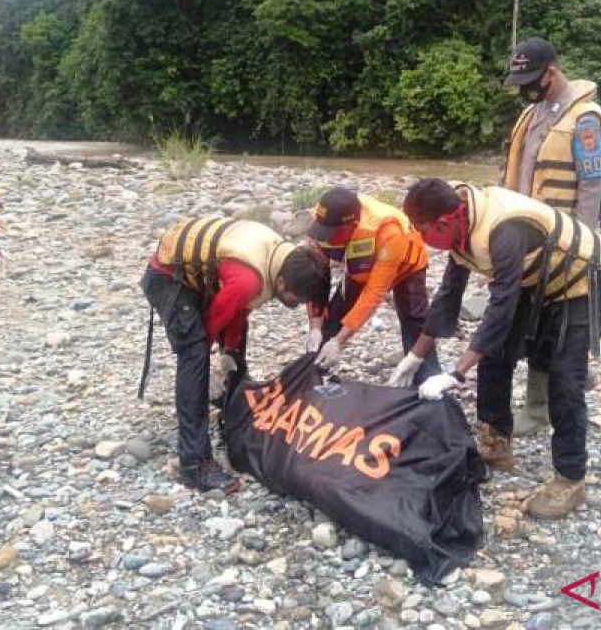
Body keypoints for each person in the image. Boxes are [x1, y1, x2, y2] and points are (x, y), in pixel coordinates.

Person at [399, 178, 601, 520]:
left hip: (581, 280)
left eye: (423, 232)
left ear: (444, 222)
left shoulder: (504, 230)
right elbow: (448, 296)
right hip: (538, 279)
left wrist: (456, 373)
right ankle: (496, 441)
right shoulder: (460, 228)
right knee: (495, 356)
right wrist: (415, 357)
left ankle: (571, 479)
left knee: (564, 380)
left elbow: (501, 306)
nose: (424, 241)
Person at [141, 217, 330, 494]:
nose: (295, 304)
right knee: (194, 352)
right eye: (293, 298)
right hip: (169, 278)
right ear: (279, 281)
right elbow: (210, 325)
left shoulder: (283, 258)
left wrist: (229, 351)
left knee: (236, 337)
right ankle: (195, 464)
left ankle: (236, 409)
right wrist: (207, 373)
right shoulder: (248, 280)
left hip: (204, 279)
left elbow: (238, 311)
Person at [500, 36, 601, 433]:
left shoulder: (586, 118)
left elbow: (591, 185)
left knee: (554, 322)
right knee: (531, 318)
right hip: (529, 236)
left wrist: (581, 245)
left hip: (562, 240)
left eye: (531, 79)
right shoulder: (533, 114)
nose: (525, 88)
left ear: (551, 72)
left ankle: (538, 406)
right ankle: (548, 393)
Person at [303, 187, 440, 386]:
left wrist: (339, 341)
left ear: (353, 225)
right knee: (334, 315)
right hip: (358, 267)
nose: (326, 238)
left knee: (414, 319)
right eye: (323, 232)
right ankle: (313, 370)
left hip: (407, 266)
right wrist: (315, 326)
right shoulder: (324, 217)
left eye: (332, 233)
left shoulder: (389, 232)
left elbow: (373, 293)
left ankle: (428, 378)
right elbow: (317, 279)